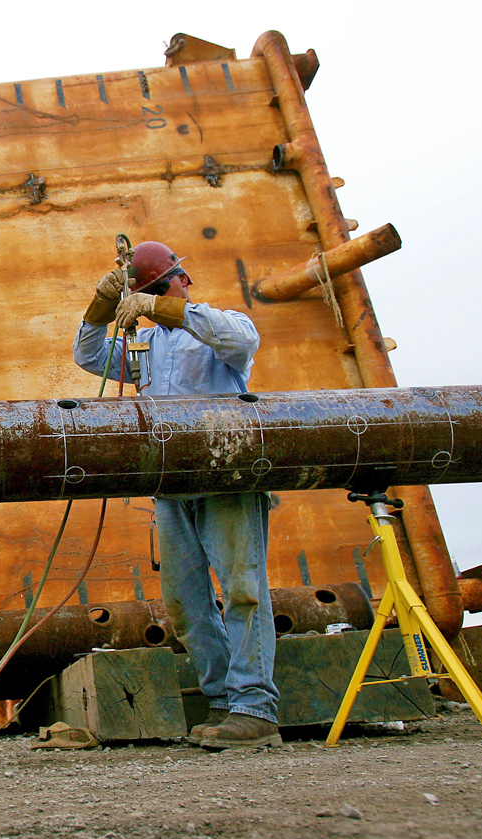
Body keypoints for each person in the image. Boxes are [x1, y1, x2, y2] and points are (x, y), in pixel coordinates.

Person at [72, 240, 281, 750]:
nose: (155, 299)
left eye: (161, 288)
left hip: (226, 473)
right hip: (172, 484)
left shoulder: (216, 330)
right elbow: (89, 355)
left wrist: (166, 307)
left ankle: (255, 706)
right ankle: (222, 701)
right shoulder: (147, 348)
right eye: (147, 294)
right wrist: (102, 306)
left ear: (182, 279)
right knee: (186, 600)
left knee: (242, 589)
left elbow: (241, 340)